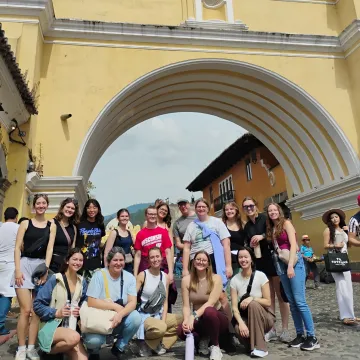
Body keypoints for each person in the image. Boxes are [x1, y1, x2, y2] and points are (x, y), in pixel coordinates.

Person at [266, 202, 319, 351]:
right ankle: (300, 334)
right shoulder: (272, 228)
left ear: (279, 211)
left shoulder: (287, 223)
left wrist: (290, 266)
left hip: (294, 264)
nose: (272, 212)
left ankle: (312, 336)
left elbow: (293, 245)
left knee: (300, 301)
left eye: (274, 210)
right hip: (281, 265)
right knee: (292, 302)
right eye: (270, 211)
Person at [14, 194, 57, 360]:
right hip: (24, 264)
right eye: (38, 203)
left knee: (36, 311)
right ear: (34, 206)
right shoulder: (25, 223)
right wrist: (18, 270)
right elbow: (17, 247)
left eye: (43, 203)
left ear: (47, 205)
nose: (41, 205)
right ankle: (21, 347)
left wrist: (46, 270)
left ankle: (31, 347)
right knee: (25, 310)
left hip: (40, 267)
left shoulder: (51, 225)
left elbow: (49, 249)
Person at [242, 196, 290, 343]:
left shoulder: (265, 219)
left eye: (251, 205)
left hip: (273, 260)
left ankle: (285, 329)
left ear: (256, 206)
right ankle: (271, 329)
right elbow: (248, 244)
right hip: (260, 263)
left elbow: (274, 232)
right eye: (246, 207)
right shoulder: (247, 226)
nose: (249, 208)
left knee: (281, 296)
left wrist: (262, 236)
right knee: (269, 298)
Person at [83, 247, 141, 359]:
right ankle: (93, 351)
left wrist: (120, 314)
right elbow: (91, 301)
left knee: (136, 317)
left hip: (118, 318)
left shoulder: (129, 278)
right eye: (115, 260)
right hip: (99, 319)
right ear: (108, 262)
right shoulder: (99, 275)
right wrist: (114, 306)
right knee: (93, 341)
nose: (118, 263)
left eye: (121, 260)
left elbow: (132, 302)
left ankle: (119, 347)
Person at [33, 248, 87, 360]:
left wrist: (81, 310)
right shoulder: (55, 279)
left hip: (71, 327)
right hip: (52, 326)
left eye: (80, 260)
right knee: (74, 338)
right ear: (67, 260)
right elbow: (37, 305)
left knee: (83, 359)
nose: (77, 262)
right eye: (75, 259)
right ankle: (48, 351)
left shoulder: (82, 281)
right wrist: (56, 312)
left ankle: (56, 351)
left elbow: (85, 302)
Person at [177, 250, 228, 360]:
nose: (201, 262)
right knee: (181, 330)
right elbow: (186, 306)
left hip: (216, 317)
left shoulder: (216, 278)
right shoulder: (186, 280)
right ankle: (201, 340)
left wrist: (192, 316)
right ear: (194, 262)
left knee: (209, 311)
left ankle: (215, 346)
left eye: (204, 260)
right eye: (198, 259)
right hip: (199, 319)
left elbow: (211, 302)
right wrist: (187, 320)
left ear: (208, 264)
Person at [135, 247, 182, 356]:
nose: (155, 259)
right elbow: (133, 296)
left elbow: (165, 302)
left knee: (182, 321)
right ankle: (144, 341)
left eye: (157, 256)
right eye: (152, 257)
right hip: (145, 314)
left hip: (159, 313)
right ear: (148, 260)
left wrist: (164, 320)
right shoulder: (143, 275)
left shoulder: (164, 276)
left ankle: (155, 344)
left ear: (161, 258)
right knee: (161, 327)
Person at [230, 247, 275, 358]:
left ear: (251, 259)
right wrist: (240, 323)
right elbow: (234, 308)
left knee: (253, 304)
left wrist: (252, 298)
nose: (243, 260)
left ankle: (261, 347)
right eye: (240, 257)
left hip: (265, 318)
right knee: (237, 328)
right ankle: (252, 346)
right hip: (246, 318)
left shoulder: (261, 276)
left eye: (246, 257)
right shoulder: (235, 280)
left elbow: (268, 302)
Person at [322, 208, 359, 326]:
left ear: (340, 218)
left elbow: (348, 246)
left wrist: (347, 234)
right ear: (329, 220)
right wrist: (335, 245)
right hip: (336, 260)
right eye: (332, 217)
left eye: (336, 217)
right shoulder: (328, 230)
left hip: (344, 259)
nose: (334, 219)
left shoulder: (344, 230)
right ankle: (345, 316)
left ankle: (351, 314)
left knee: (348, 287)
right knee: (341, 287)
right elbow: (325, 245)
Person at [133, 206, 173, 284]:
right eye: (150, 214)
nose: (152, 216)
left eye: (154, 214)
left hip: (161, 265)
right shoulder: (140, 234)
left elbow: (168, 253)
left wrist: (171, 272)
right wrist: (135, 274)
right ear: (146, 215)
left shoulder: (163, 232)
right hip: (145, 265)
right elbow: (137, 255)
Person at [0, 207, 19, 345]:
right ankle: (0, 326)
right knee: (6, 294)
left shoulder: (0, 227)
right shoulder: (18, 228)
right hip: (10, 263)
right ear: (16, 216)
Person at [76, 199, 106, 282]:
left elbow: (100, 241)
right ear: (85, 209)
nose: (91, 210)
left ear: (98, 209)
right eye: (89, 208)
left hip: (96, 263)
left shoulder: (100, 224)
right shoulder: (79, 224)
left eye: (94, 207)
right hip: (81, 262)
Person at [50, 198, 80, 273]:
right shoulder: (52, 223)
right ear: (62, 207)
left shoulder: (73, 228)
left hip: (65, 266)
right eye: (68, 207)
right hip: (52, 264)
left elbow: (72, 249)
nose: (70, 210)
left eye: (72, 208)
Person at [222, 202, 246, 274]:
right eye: (226, 210)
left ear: (236, 210)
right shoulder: (222, 224)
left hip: (241, 258)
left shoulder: (243, 224)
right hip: (226, 258)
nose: (229, 211)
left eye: (231, 209)